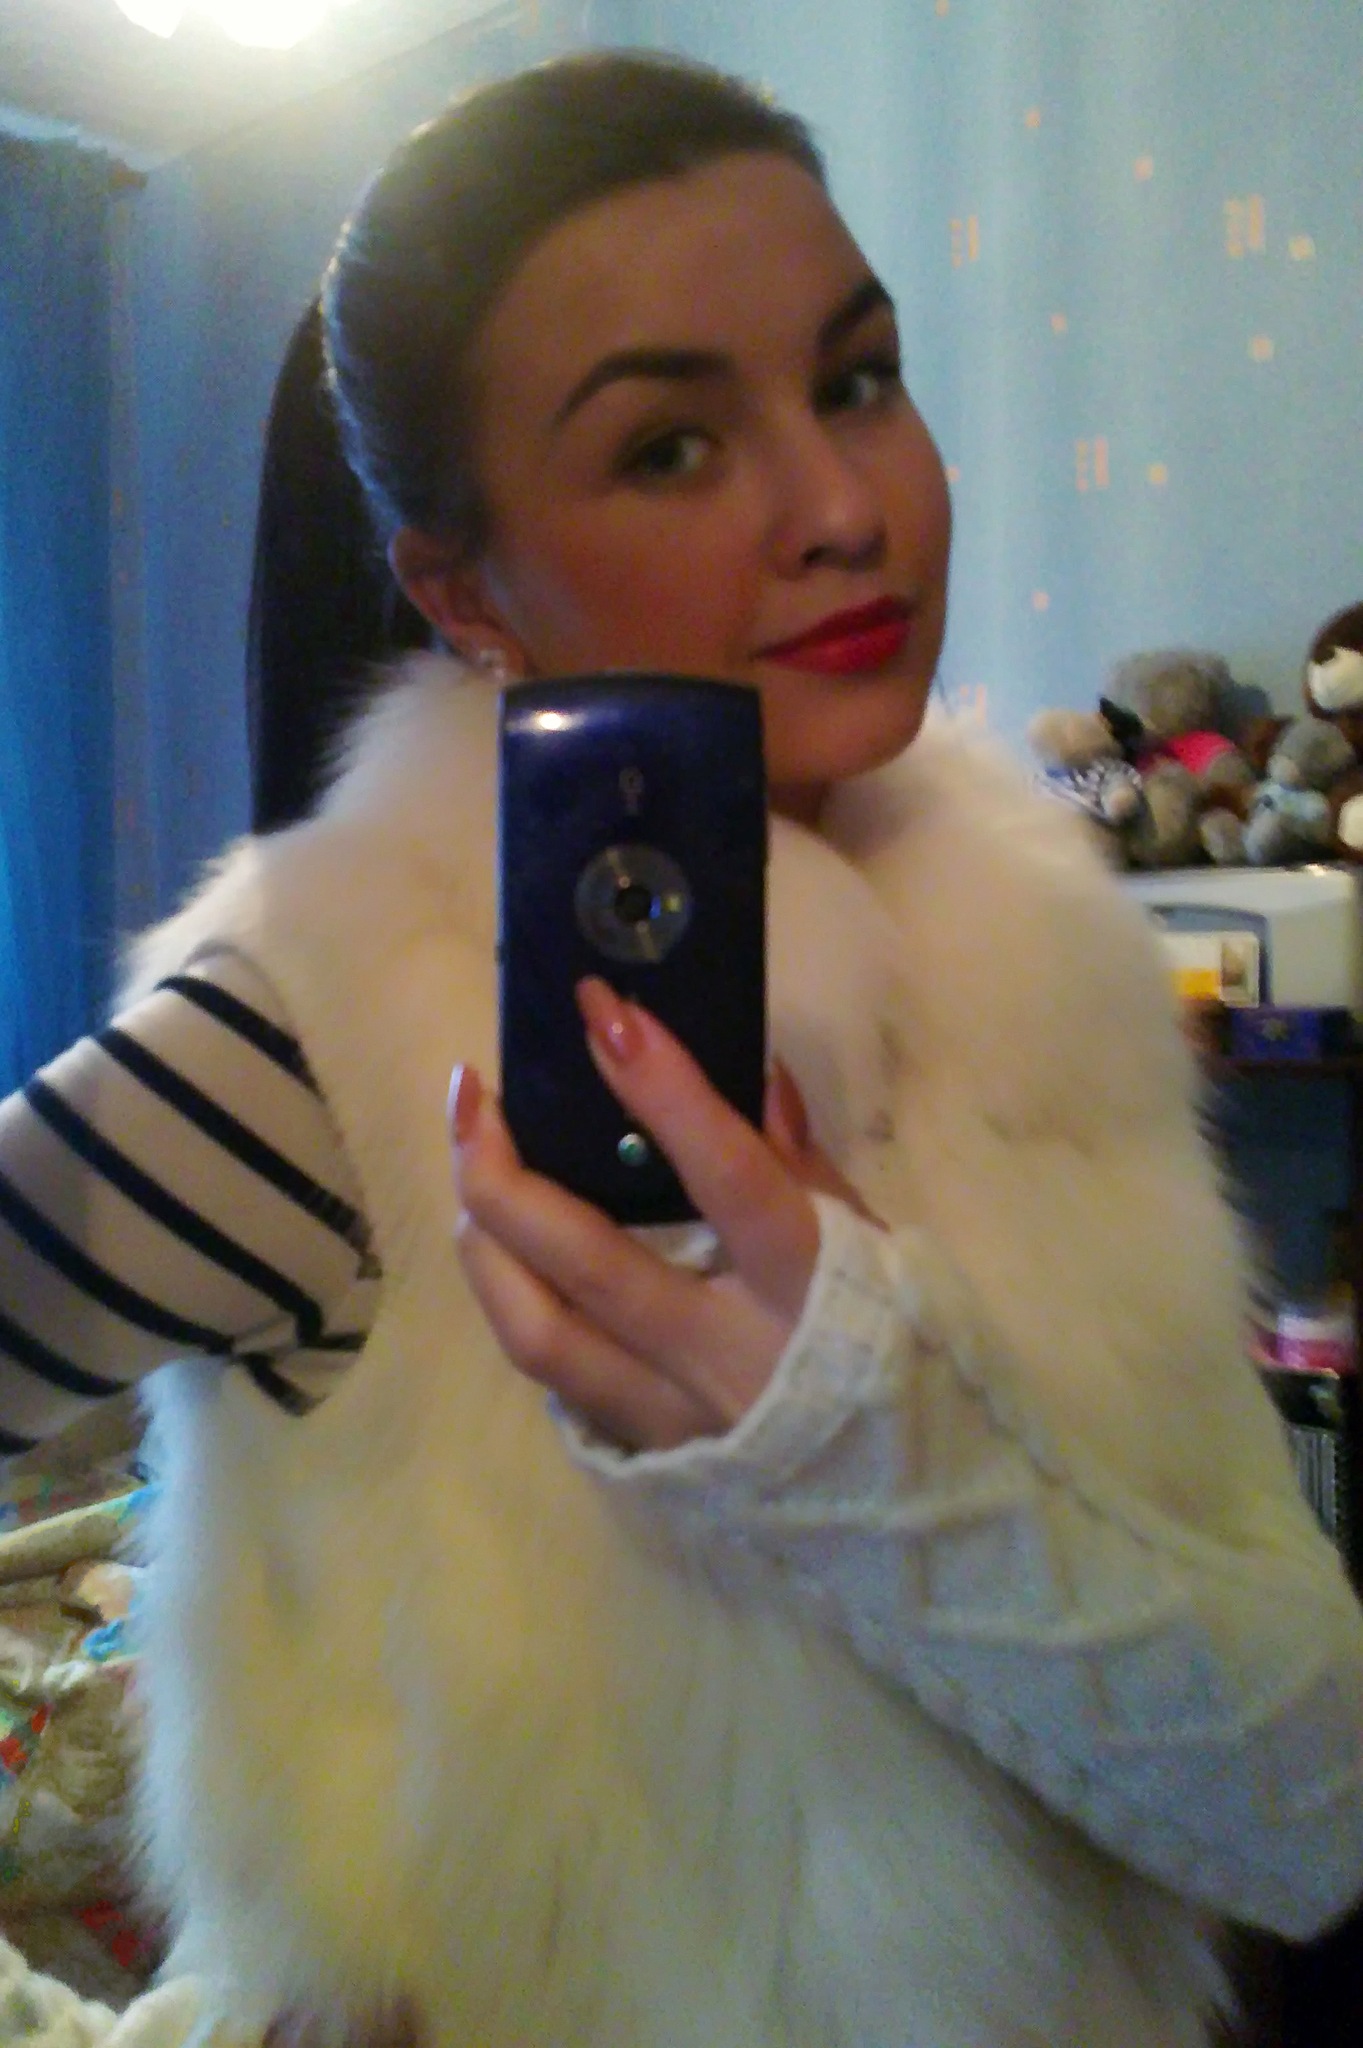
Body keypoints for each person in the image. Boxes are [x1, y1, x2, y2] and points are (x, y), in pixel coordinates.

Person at [1, 47, 1361, 2048]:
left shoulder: (1043, 964)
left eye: (857, 380)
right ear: (459, 587)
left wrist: (864, 1437)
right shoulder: (318, 1022)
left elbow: (1316, 1808)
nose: (843, 509)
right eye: (668, 446)